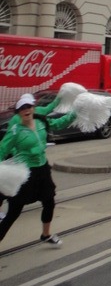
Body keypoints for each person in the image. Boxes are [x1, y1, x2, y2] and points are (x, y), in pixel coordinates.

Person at [0, 93, 78, 247]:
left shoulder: (41, 121)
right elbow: (2, 149)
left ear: (33, 108)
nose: (26, 110)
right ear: (19, 112)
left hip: (42, 169)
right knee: (14, 211)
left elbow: (59, 123)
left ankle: (46, 234)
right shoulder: (16, 130)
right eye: (22, 108)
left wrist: (75, 112)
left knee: (49, 202)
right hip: (24, 172)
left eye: (29, 106)